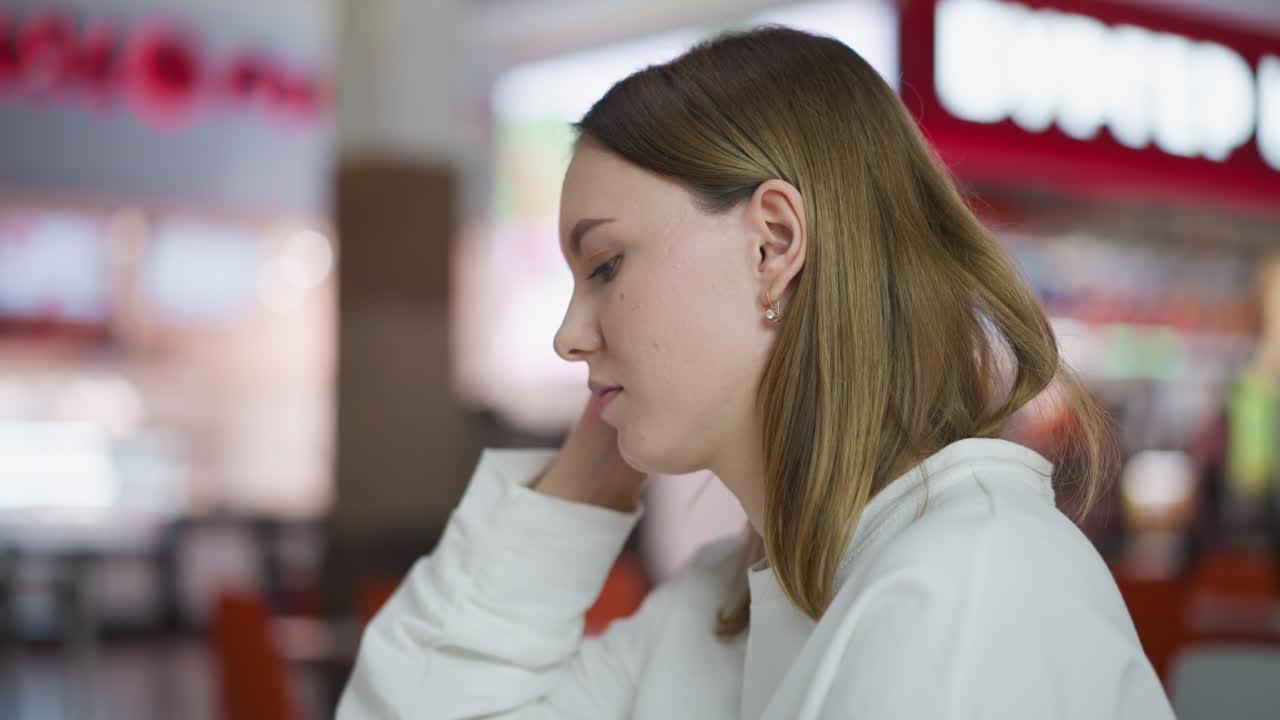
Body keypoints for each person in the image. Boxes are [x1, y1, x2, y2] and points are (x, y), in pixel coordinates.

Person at [337, 27, 1175, 719]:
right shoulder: (721, 609)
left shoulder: (971, 587)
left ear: (772, 243)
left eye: (604, 266)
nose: (567, 336)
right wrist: (596, 463)